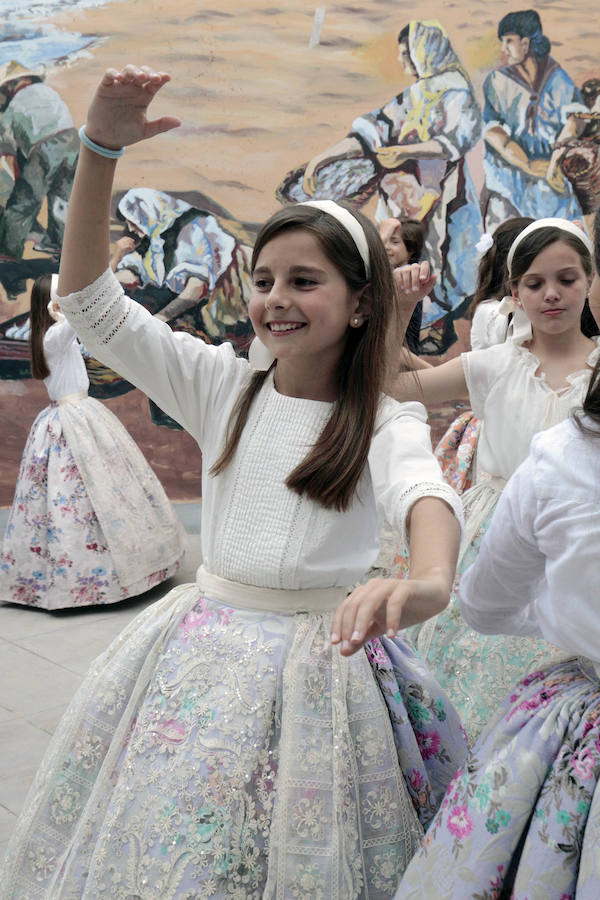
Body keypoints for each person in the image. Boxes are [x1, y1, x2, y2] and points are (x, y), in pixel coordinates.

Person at [0, 66, 467, 898]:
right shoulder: (220, 387)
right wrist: (100, 148)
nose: (275, 300)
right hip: (198, 660)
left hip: (327, 673)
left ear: (362, 305)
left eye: (304, 281)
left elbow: (424, 494)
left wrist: (430, 581)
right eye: (262, 280)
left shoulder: (380, 419)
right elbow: (88, 300)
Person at [394, 210, 600, 899]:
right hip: (496, 534)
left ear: (590, 284)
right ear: (512, 294)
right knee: (478, 710)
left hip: (573, 547)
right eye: (534, 282)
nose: (551, 295)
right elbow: (401, 388)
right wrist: (397, 317)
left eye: (567, 278)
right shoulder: (493, 365)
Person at [279, 19, 483, 355]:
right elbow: (371, 131)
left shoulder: (456, 93)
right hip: (402, 194)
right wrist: (323, 159)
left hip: (444, 196)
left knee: (438, 261)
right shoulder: (412, 97)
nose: (404, 64)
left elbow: (454, 143)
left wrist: (404, 151)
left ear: (425, 52)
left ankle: (429, 329)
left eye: (408, 54)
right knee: (390, 259)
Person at [0, 272, 186, 610]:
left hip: (81, 413)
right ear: (51, 304)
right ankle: (84, 579)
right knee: (76, 494)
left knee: (108, 489)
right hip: (71, 419)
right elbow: (76, 318)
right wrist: (98, 278)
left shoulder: (55, 335)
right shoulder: (52, 337)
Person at [482, 10, 583, 230]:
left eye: (509, 41)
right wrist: (528, 165)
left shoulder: (558, 77)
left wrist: (554, 161)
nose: (503, 49)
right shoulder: (497, 81)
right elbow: (493, 132)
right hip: (510, 181)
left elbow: (575, 120)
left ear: (526, 43)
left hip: (553, 181)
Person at [0, 60, 79, 262]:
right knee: (61, 198)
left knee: (23, 202)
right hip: (72, 142)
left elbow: (5, 141)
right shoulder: (48, 92)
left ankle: (8, 252)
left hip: (45, 147)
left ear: (12, 84)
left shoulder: (16, 102)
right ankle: (57, 243)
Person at [547, 77, 600, 234]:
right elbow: (563, 141)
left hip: (588, 183)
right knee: (591, 226)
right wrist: (552, 167)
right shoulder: (580, 118)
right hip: (588, 183)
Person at [379, 217, 426, 355]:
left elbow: (398, 346)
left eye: (394, 242)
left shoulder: (409, 282)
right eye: (385, 240)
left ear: (411, 248)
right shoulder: (386, 276)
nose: (386, 247)